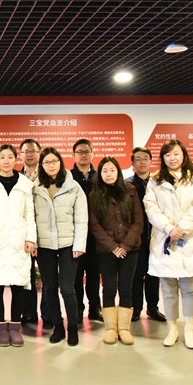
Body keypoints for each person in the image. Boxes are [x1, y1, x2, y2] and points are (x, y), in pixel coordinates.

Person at [144, 139, 193, 349]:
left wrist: (181, 229)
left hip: (189, 239)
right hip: (165, 239)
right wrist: (168, 228)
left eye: (176, 154)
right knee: (168, 288)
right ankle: (172, 329)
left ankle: (189, 329)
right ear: (162, 158)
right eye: (168, 155)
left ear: (183, 155)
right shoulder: (155, 180)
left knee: (189, 288)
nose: (172, 158)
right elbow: (151, 208)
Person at [0, 144, 36, 347]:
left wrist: (31, 238)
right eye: (2, 157)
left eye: (10, 157)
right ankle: (0, 326)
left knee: (18, 285)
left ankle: (15, 326)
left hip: (18, 241)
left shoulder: (25, 184)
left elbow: (29, 213)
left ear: (16, 159)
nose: (6, 160)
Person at [33, 148, 88, 346]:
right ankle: (57, 326)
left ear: (61, 162)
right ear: (42, 165)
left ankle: (72, 327)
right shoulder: (35, 187)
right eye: (46, 162)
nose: (51, 165)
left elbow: (81, 218)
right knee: (50, 288)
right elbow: (31, 217)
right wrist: (33, 241)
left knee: (67, 288)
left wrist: (79, 244)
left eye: (54, 161)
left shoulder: (73, 186)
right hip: (44, 244)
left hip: (68, 244)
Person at [88, 156, 143, 345]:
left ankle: (124, 329)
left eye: (112, 170)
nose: (109, 174)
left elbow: (138, 221)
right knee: (109, 288)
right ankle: (111, 328)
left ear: (118, 172)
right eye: (104, 171)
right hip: (106, 251)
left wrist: (125, 246)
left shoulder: (130, 191)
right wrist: (113, 247)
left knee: (126, 287)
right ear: (100, 174)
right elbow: (94, 225)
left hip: (130, 249)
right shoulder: (94, 195)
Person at [127, 147, 166, 322]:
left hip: (157, 236)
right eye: (138, 159)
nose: (142, 162)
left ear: (151, 161)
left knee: (153, 274)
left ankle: (153, 308)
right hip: (136, 238)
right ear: (133, 163)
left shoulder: (159, 183)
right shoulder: (127, 184)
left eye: (145, 158)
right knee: (136, 275)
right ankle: (136, 308)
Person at [70, 138, 102, 322]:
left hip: (96, 234)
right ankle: (78, 309)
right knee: (75, 275)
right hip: (74, 234)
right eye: (79, 152)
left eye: (86, 151)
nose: (83, 155)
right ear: (74, 155)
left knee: (93, 274)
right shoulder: (67, 177)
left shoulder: (100, 176)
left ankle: (95, 308)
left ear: (92, 153)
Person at [18, 138, 48, 327]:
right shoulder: (16, 177)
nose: (29, 155)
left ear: (39, 153)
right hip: (24, 234)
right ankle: (28, 313)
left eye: (33, 151)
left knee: (47, 275)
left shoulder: (48, 175)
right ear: (20, 155)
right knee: (25, 275)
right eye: (26, 151)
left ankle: (48, 314)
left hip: (45, 233)